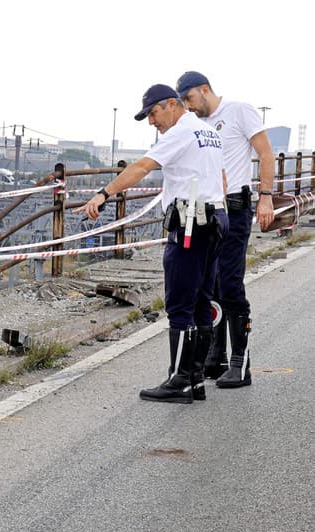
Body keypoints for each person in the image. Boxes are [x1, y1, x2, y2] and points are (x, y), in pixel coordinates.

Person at [78, 84, 227, 404]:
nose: (151, 122)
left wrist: (104, 194)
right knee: (202, 301)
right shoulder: (207, 131)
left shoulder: (180, 132)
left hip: (191, 223)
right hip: (215, 220)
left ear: (172, 105)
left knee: (180, 303)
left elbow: (142, 167)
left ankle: (180, 380)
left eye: (153, 113)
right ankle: (196, 379)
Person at [176, 71, 274, 389]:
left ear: (205, 90)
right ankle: (215, 357)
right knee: (211, 285)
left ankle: (240, 363)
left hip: (237, 206)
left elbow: (266, 153)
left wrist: (267, 198)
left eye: (190, 99)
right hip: (211, 209)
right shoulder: (197, 124)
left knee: (230, 284)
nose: (188, 107)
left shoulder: (239, 110)